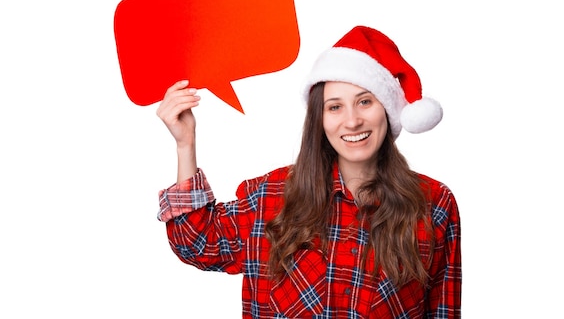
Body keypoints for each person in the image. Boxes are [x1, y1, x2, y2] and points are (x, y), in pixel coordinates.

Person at [156, 26, 462, 318]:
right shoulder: (272, 196)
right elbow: (195, 242)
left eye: (365, 102)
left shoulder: (434, 204)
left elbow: (443, 310)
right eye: (335, 107)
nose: (352, 121)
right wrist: (186, 143)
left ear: (388, 109)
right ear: (320, 119)